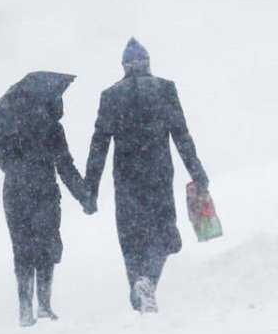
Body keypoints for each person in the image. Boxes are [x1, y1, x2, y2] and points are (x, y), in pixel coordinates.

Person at [82, 38, 210, 313]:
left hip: (127, 180)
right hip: (158, 176)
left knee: (131, 238)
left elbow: (99, 146)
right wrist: (197, 172)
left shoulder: (110, 96)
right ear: (148, 64)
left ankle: (139, 288)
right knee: (163, 235)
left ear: (125, 67)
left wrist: (90, 189)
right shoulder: (164, 89)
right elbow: (181, 136)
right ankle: (148, 281)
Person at [0, 71, 91, 327]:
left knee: (22, 250)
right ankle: (45, 305)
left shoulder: (7, 125)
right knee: (46, 248)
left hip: (14, 194)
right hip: (44, 193)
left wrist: (17, 168)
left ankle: (25, 308)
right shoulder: (51, 128)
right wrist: (84, 196)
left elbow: (1, 160)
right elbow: (66, 167)